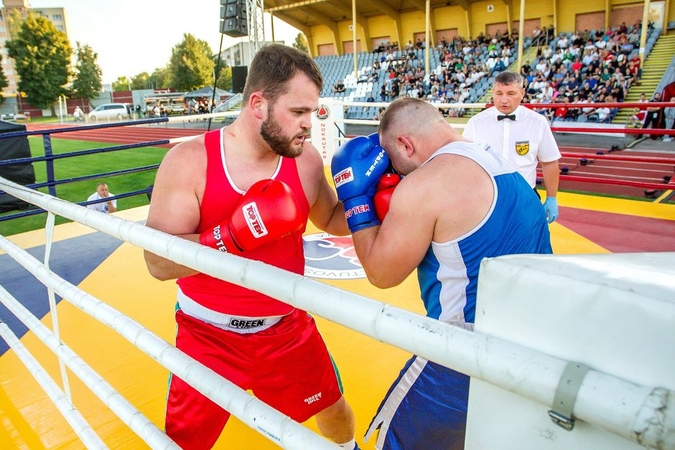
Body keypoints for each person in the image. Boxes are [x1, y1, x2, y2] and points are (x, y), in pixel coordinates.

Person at [143, 44, 358, 450]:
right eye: (298, 112)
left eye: (312, 112)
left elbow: (330, 218)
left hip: (286, 328)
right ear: (258, 103)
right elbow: (157, 261)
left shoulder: (306, 159)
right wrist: (228, 238)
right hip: (207, 334)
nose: (309, 124)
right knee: (184, 440)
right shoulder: (190, 161)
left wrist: (376, 199)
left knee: (332, 409)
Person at [330, 97, 552, 450]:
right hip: (537, 345)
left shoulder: (425, 185)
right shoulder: (499, 162)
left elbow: (381, 273)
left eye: (393, 160)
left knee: (395, 441)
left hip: (463, 353)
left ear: (405, 143)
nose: (394, 172)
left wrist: (357, 200)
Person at [463, 71, 561, 223]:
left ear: (522, 93)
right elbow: (464, 162)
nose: (504, 99)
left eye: (511, 93)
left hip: (525, 196)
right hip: (486, 197)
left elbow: (549, 162)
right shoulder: (476, 123)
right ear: (493, 93)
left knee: (527, 244)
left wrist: (552, 197)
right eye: (499, 93)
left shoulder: (537, 122)